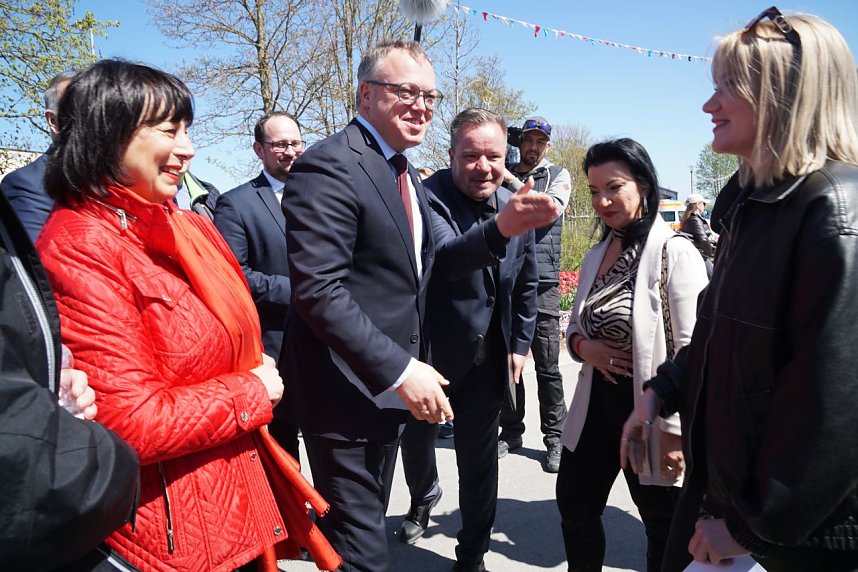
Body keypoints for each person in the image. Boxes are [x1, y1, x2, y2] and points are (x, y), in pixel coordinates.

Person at [35, 59, 340, 572]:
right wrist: (251, 391)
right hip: (168, 533)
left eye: (187, 130)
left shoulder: (184, 225)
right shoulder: (80, 246)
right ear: (107, 134)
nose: (188, 149)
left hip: (230, 501)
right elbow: (128, 422)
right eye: (168, 130)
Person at [281, 40, 559, 572]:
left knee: (363, 540)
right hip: (350, 390)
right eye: (406, 91)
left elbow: (441, 266)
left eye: (430, 96)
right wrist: (402, 369)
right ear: (366, 95)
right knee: (363, 552)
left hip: (397, 388)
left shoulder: (401, 172)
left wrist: (501, 231)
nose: (421, 106)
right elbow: (318, 290)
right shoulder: (330, 166)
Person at [622, 9, 858, 572]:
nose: (709, 105)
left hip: (802, 540)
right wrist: (659, 393)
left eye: (729, 86)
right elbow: (716, 336)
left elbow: (835, 407)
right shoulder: (751, 205)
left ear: (785, 94)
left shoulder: (834, 209)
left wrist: (752, 529)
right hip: (727, 501)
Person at [399, 108, 539, 572]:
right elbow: (447, 258)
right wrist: (503, 227)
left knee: (479, 466)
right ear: (451, 154)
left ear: (506, 157)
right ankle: (423, 496)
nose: (483, 167)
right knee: (417, 444)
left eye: (493, 156)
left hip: (487, 360)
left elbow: (526, 283)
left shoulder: (512, 202)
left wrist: (520, 344)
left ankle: (472, 556)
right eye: (471, 156)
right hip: (429, 359)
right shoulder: (427, 197)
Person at [559, 138, 708, 572]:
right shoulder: (595, 255)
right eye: (593, 190)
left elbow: (695, 349)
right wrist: (585, 348)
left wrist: (675, 430)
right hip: (594, 411)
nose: (601, 201)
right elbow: (574, 327)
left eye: (614, 187)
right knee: (575, 507)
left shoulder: (674, 253)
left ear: (643, 185)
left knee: (661, 523)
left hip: (648, 414)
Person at [0, 184, 140, 571]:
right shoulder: (75, 235)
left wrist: (44, 379)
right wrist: (249, 391)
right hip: (81, 499)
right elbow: (135, 414)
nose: (187, 154)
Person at [214, 111, 303, 459]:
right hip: (276, 347)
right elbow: (233, 276)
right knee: (284, 450)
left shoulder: (327, 195)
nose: (290, 151)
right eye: (280, 145)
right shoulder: (237, 204)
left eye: (295, 143)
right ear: (259, 149)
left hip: (331, 345)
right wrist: (303, 292)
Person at [499, 115, 572, 473]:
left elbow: (549, 209)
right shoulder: (504, 169)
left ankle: (555, 438)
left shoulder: (557, 174)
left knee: (547, 366)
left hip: (542, 282)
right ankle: (511, 431)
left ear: (547, 146)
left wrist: (509, 179)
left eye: (539, 142)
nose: (532, 146)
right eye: (527, 140)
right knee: (507, 362)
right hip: (507, 279)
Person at [1, 71, 74, 242]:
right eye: (77, 108)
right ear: (53, 120)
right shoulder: (26, 186)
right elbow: (39, 257)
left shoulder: (115, 179)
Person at [679, 193, 714, 276]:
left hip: (697, 254)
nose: (704, 206)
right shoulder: (694, 220)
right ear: (698, 205)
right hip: (701, 255)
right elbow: (703, 240)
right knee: (713, 278)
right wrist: (711, 253)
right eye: (703, 203)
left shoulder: (690, 218)